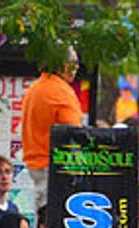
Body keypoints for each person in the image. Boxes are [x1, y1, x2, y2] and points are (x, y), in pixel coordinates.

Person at [20, 47, 83, 211]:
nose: (77, 68)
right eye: (74, 63)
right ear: (61, 64)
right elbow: (75, 134)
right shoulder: (61, 91)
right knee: (56, 219)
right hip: (56, 168)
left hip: (36, 165)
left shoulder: (34, 88)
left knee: (43, 214)